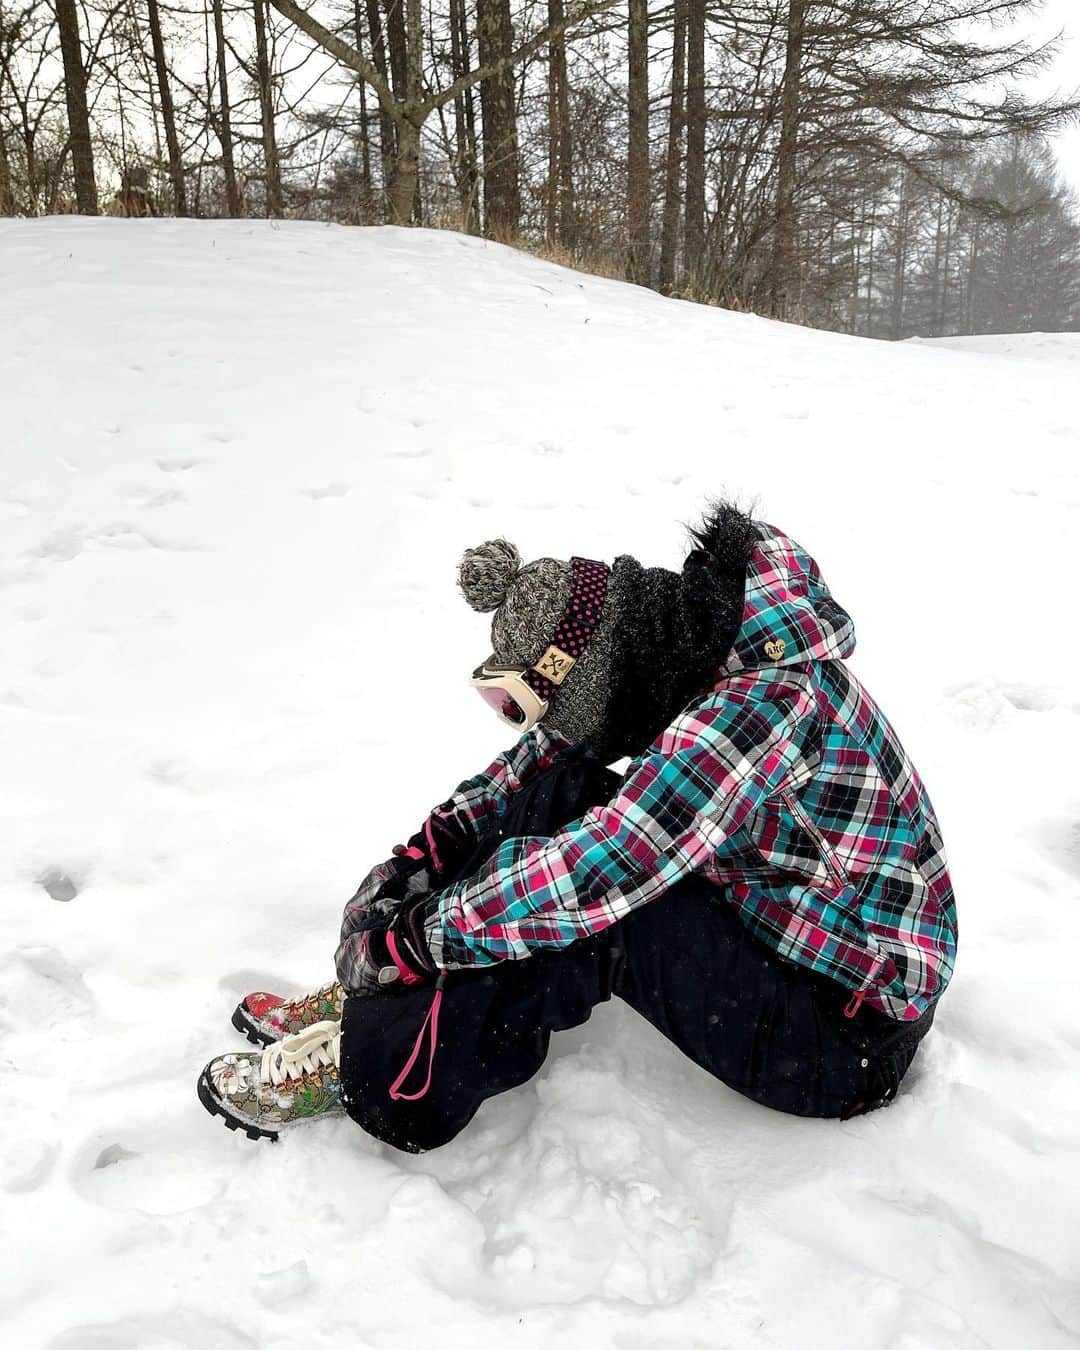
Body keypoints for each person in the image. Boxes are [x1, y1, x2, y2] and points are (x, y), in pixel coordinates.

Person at [197, 501, 957, 1149]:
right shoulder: (687, 649)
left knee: (599, 912)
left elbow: (595, 872)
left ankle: (387, 1062)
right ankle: (383, 998)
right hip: (794, 937)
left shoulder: (757, 708)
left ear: (597, 672)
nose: (531, 728)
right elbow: (548, 762)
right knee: (562, 803)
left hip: (845, 1037)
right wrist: (427, 853)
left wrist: (409, 940)